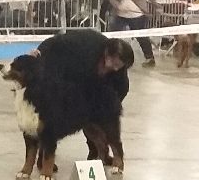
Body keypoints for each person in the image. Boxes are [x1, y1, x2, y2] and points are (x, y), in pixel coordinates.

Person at [33, 28, 135, 159]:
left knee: (96, 121)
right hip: (65, 80)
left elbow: (121, 90)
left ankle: (97, 152)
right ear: (108, 54)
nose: (115, 69)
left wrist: (108, 110)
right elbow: (55, 41)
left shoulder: (120, 71)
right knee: (53, 121)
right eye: (114, 64)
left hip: (92, 93)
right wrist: (39, 52)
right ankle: (44, 156)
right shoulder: (87, 41)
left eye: (119, 66)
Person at [106, 0, 157, 67]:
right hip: (120, 13)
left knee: (142, 37)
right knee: (113, 35)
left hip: (137, 14)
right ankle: (110, 56)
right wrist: (115, 3)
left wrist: (157, 6)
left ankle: (149, 58)